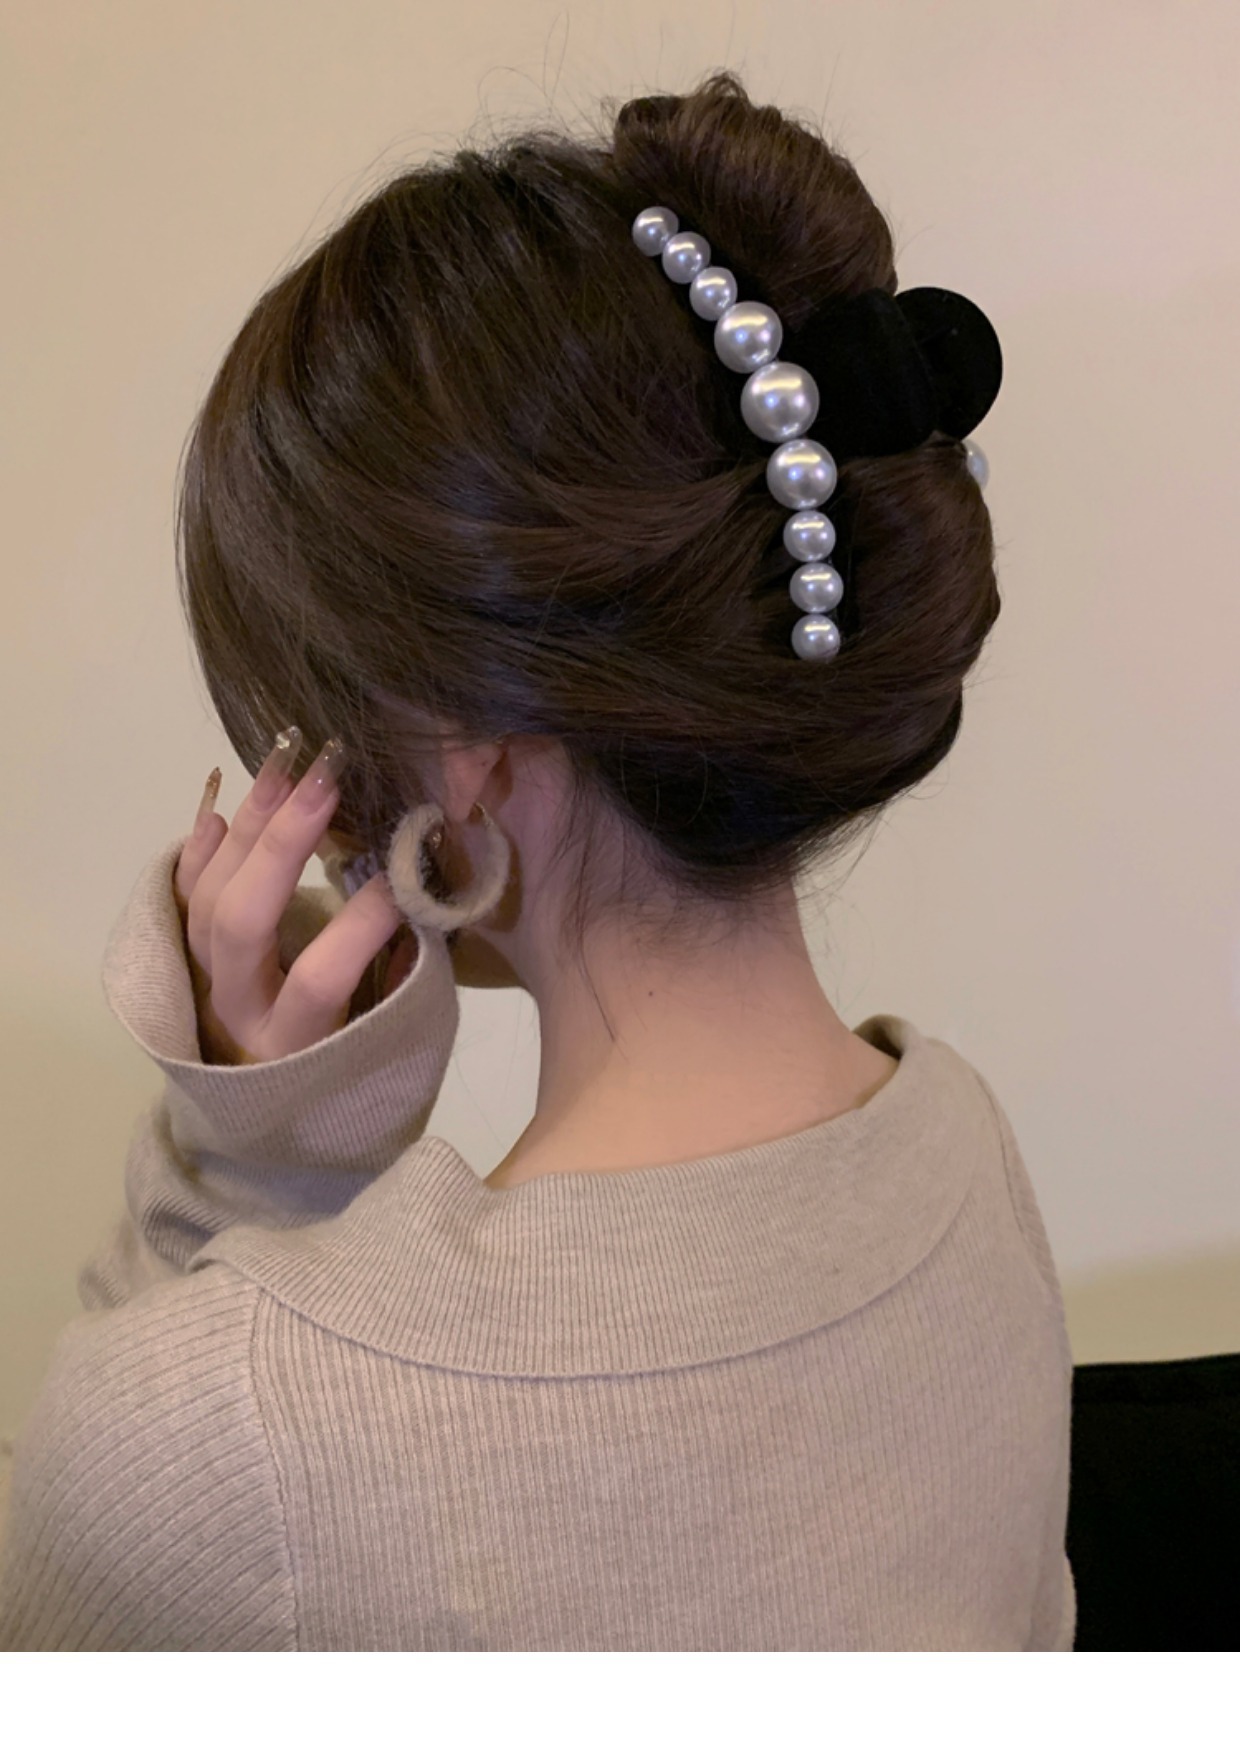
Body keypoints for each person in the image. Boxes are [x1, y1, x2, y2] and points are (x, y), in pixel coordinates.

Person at [0, 69, 1075, 1650]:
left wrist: (248, 1163)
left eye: (318, 721)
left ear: (472, 766)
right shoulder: (963, 1154)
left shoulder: (219, 1429)